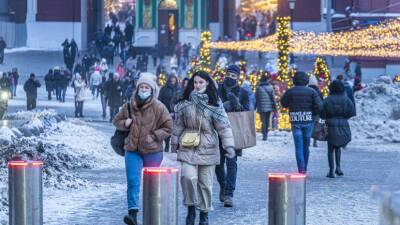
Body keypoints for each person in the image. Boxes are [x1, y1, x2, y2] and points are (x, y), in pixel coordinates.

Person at [171, 70, 235, 225]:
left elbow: (224, 127)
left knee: (205, 184)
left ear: (207, 83)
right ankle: (191, 208)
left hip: (208, 146)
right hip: (188, 145)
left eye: (201, 82)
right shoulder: (185, 102)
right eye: (195, 82)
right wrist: (174, 143)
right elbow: (178, 124)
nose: (197, 85)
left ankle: (204, 213)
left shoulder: (214, 103)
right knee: (188, 177)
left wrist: (229, 146)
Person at [113, 74, 172, 225]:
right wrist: (124, 123)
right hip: (132, 150)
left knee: (152, 183)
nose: (144, 89)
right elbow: (116, 120)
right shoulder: (129, 105)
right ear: (137, 88)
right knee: (133, 181)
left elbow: (168, 127)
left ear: (152, 90)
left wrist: (154, 136)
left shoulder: (159, 107)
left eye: (147, 87)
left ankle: (153, 214)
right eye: (141, 87)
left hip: (153, 151)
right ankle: (132, 214)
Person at [216, 64, 249, 207]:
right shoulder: (216, 90)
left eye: (233, 75)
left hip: (234, 131)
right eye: (229, 74)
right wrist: (225, 105)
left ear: (238, 78)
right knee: (218, 163)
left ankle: (229, 193)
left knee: (231, 162)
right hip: (217, 131)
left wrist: (237, 105)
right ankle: (223, 185)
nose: (230, 77)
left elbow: (247, 113)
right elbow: (209, 107)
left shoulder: (243, 93)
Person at [281, 71, 323, 174]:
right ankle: (305, 167)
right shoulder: (312, 92)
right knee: (306, 146)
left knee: (298, 146)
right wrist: (313, 113)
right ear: (306, 80)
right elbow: (319, 106)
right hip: (308, 120)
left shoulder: (290, 91)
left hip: (295, 121)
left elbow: (283, 103)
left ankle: (301, 169)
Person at [320, 80, 356, 178]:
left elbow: (322, 113)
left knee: (330, 148)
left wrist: (327, 117)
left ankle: (331, 170)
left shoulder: (327, 100)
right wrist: (344, 118)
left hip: (330, 124)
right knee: (338, 147)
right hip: (343, 123)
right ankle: (338, 167)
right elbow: (352, 111)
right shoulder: (346, 99)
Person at [158, 75, 181, 152]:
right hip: (166, 111)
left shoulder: (178, 89)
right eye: (171, 80)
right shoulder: (164, 88)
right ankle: (167, 143)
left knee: (175, 129)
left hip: (175, 112)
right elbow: (160, 99)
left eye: (174, 80)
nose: (172, 82)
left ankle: (174, 146)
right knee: (166, 128)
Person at [255, 75, 276, 141]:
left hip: (261, 107)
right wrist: (275, 106)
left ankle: (264, 134)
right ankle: (266, 133)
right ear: (266, 80)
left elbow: (256, 98)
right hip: (269, 107)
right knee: (267, 121)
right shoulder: (270, 87)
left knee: (263, 121)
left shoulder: (258, 88)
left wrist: (255, 106)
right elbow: (273, 98)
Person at [308, 75, 324, 147]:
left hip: (308, 111)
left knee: (308, 126)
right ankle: (315, 141)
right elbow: (321, 102)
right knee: (316, 127)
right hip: (316, 112)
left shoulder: (306, 90)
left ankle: (307, 140)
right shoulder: (318, 91)